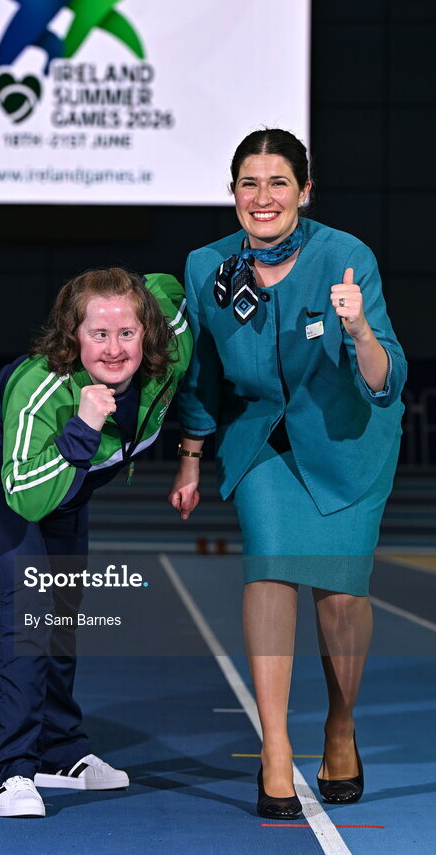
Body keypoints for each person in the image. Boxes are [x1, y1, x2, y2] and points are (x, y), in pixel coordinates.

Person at [169, 128, 405, 819]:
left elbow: (385, 380)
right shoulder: (205, 264)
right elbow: (199, 375)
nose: (262, 197)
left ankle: (338, 725)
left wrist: (359, 329)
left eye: (278, 183)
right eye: (248, 183)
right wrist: (189, 457)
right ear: (232, 191)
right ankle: (274, 746)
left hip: (347, 443)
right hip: (260, 441)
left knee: (337, 595)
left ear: (304, 190)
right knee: (269, 567)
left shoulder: (344, 256)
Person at [0, 269, 192, 817]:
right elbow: (24, 497)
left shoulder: (172, 347)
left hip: (66, 484)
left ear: (150, 333)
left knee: (63, 605)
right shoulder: (40, 385)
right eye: (98, 334)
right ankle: (10, 771)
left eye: (127, 333)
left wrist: (191, 456)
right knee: (26, 596)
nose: (114, 350)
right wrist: (83, 428)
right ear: (72, 337)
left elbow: (173, 285)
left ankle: (58, 751)